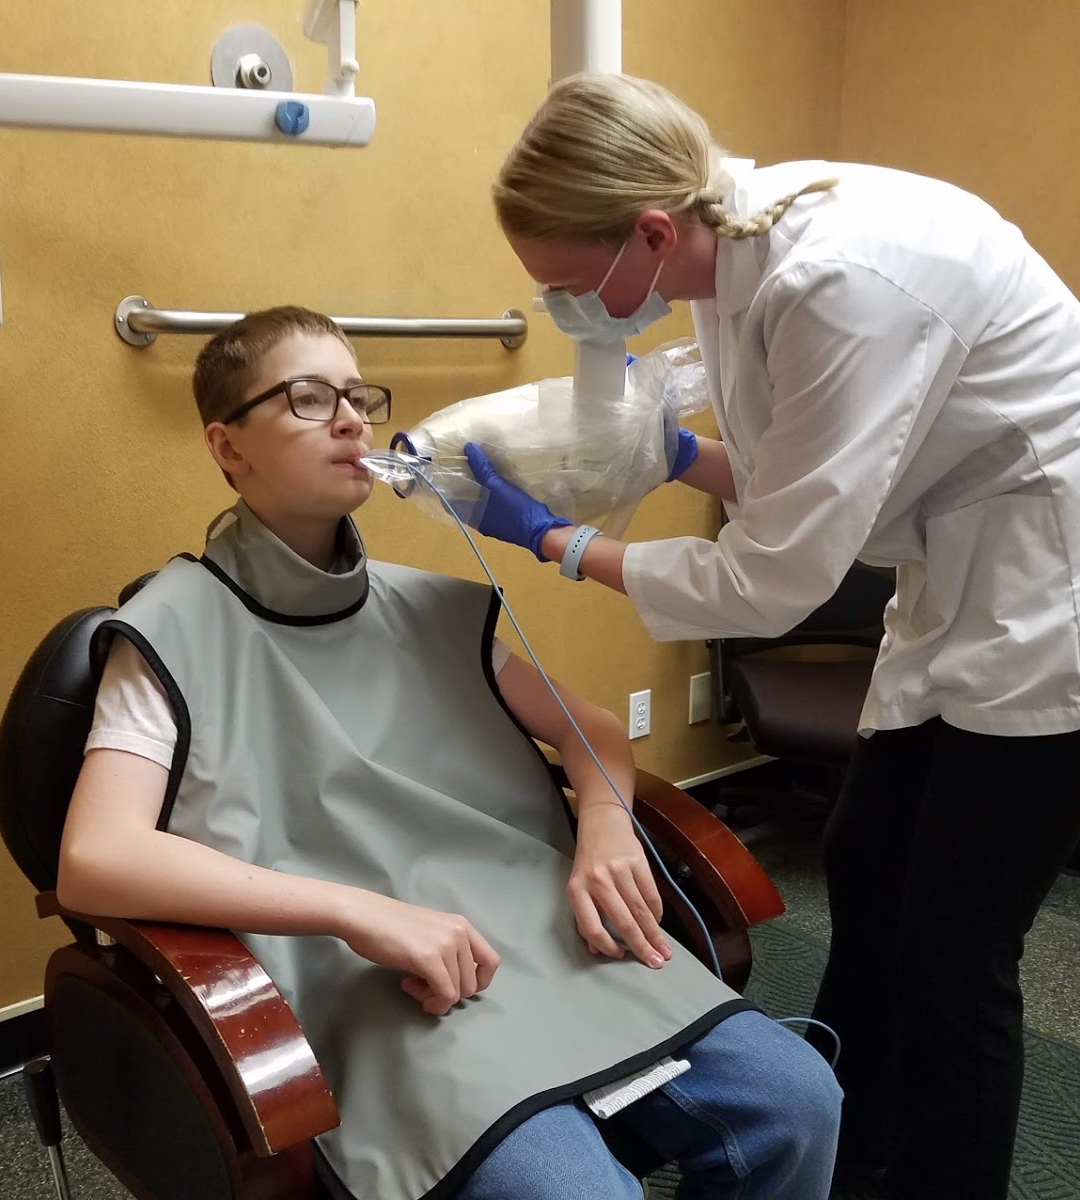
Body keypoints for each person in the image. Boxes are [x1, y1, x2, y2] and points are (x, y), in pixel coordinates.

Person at [468, 73, 1080, 1200]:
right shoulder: (725, 256)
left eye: (569, 285)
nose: (568, 309)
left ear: (650, 232)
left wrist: (562, 545)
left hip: (1064, 601)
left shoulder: (840, 278)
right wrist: (668, 459)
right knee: (867, 866)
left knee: (957, 953)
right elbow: (787, 484)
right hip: (959, 571)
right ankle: (848, 1145)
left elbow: (772, 578)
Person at [55, 305, 841, 1200]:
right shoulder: (166, 629)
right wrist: (359, 914)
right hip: (374, 976)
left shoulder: (429, 607)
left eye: (358, 396)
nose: (353, 418)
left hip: (539, 931)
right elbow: (96, 859)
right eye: (309, 399)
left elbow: (599, 735)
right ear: (226, 447)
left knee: (799, 1100)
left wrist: (608, 828)